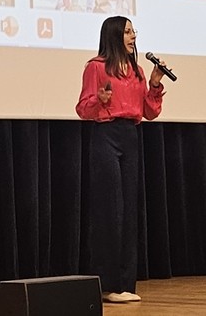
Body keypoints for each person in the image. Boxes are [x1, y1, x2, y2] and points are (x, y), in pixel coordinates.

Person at [75, 16, 167, 304]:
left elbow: (149, 112)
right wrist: (99, 100)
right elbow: (83, 109)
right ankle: (109, 284)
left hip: (130, 136)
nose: (133, 36)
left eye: (133, 31)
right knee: (110, 210)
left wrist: (154, 85)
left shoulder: (138, 71)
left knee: (129, 211)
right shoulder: (96, 67)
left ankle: (126, 283)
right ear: (114, 35)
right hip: (106, 135)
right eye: (127, 32)